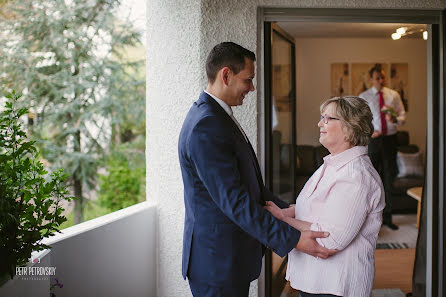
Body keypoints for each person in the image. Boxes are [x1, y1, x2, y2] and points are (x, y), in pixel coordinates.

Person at [178, 42, 336, 297]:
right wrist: (293, 238)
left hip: (228, 260)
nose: (252, 88)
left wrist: (293, 214)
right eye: (248, 80)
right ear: (226, 75)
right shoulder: (206, 125)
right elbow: (236, 202)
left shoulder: (216, 116)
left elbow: (251, 187)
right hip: (217, 264)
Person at [265, 96, 385, 297]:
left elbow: (330, 239)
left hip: (335, 286)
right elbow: (314, 207)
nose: (320, 123)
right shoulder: (333, 164)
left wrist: (283, 219)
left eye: (328, 118)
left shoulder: (356, 177)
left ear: (349, 127)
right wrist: (285, 211)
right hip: (319, 282)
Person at [359, 63, 406, 230]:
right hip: (373, 141)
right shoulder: (363, 96)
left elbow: (402, 114)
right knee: (371, 179)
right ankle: (370, 220)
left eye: (382, 77)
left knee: (389, 177)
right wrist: (369, 133)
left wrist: (397, 120)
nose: (381, 80)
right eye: (377, 78)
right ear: (371, 79)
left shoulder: (393, 95)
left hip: (390, 140)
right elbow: (360, 120)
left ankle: (388, 218)